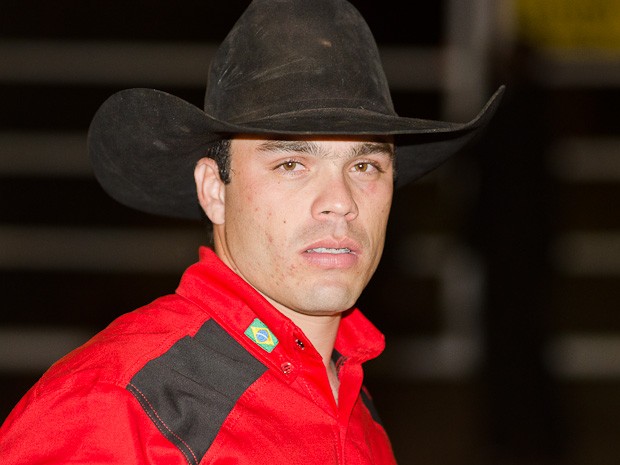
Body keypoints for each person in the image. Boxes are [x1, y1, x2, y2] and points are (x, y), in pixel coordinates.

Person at [0, 0, 503, 463]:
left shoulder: (355, 404)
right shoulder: (119, 407)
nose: (340, 203)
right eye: (290, 164)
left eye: (366, 166)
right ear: (214, 189)